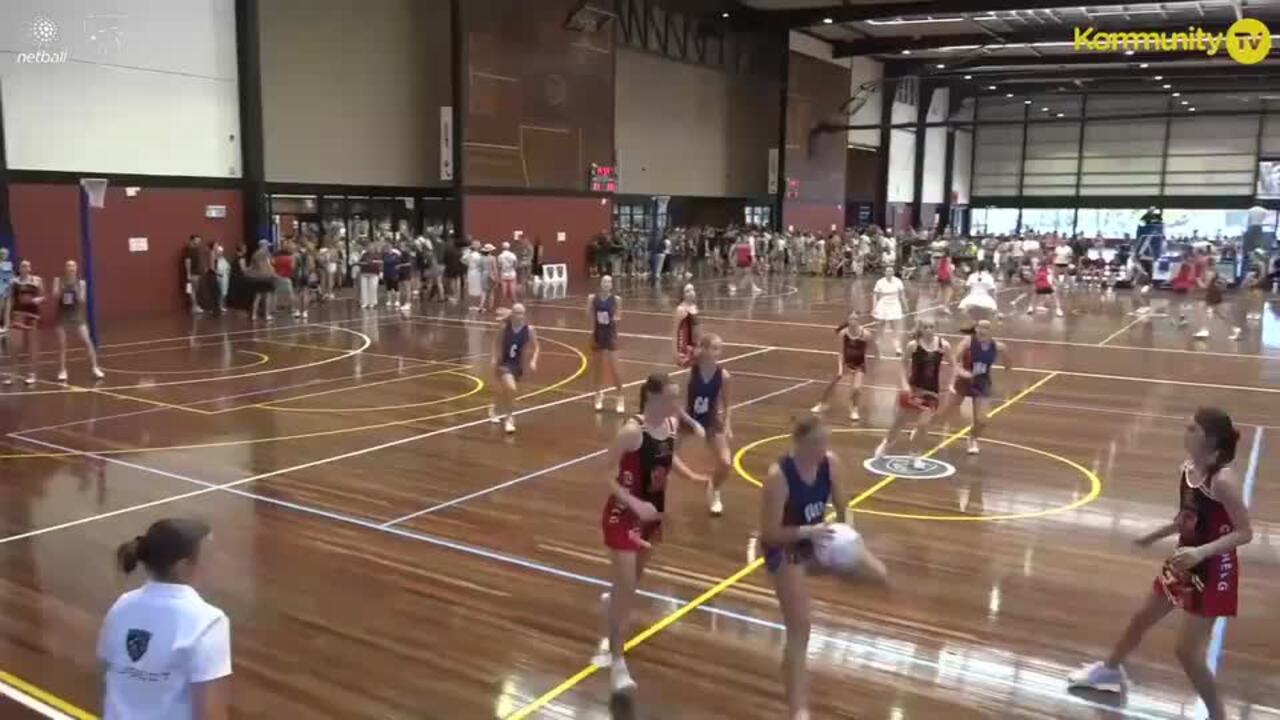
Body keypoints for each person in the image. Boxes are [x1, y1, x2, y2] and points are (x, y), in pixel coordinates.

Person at [1068, 409, 1251, 720]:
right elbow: (1186, 519)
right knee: (1141, 617)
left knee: (1187, 653)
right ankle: (1110, 671)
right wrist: (1152, 537)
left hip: (1214, 568)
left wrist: (1202, 552)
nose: (1185, 430)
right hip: (1185, 560)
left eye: (1192, 428)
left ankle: (1219, 716)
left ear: (1210, 439)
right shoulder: (1187, 469)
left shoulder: (1223, 481)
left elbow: (1245, 532)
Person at [760, 415, 888, 720]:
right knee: (801, 626)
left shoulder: (829, 464)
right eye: (817, 443)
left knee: (878, 574)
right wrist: (808, 532)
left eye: (825, 441)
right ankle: (798, 710)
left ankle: (790, 660)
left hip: (817, 541)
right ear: (800, 443)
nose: (823, 448)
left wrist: (849, 535)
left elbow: (843, 506)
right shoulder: (778, 476)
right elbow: (769, 534)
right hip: (786, 549)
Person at [598, 373, 704, 694]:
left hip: (651, 517)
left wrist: (693, 476)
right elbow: (606, 473)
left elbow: (668, 460)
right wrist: (633, 502)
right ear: (654, 399)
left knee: (632, 581)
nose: (677, 403)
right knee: (628, 589)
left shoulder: (670, 427)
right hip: (623, 516)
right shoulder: (632, 432)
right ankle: (617, 661)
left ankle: (613, 600)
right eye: (671, 397)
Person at [100, 518, 231, 720]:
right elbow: (210, 713)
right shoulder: (209, 622)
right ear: (183, 566)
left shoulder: (121, 606)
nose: (219, 559)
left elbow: (111, 673)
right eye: (210, 555)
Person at [873, 318, 950, 469]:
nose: (929, 329)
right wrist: (903, 384)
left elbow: (953, 364)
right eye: (925, 327)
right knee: (900, 421)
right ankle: (886, 443)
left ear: (935, 328)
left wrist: (950, 384)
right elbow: (902, 364)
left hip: (931, 392)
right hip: (913, 389)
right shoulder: (913, 345)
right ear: (920, 329)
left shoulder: (943, 345)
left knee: (923, 425)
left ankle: (915, 455)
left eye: (931, 326)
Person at [937, 319, 1011, 455]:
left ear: (991, 330)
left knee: (982, 420)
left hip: (982, 383)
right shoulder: (968, 342)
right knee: (944, 412)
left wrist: (1005, 379)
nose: (983, 330)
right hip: (962, 382)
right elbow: (954, 361)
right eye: (980, 327)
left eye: (986, 328)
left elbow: (1008, 366)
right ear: (976, 329)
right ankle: (922, 429)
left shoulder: (999, 346)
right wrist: (961, 372)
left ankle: (972, 438)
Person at [678, 334, 733, 516]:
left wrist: (727, 426)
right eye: (715, 348)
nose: (718, 352)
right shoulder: (690, 372)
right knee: (664, 453)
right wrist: (693, 424)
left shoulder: (723, 375)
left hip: (710, 421)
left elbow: (727, 404)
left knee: (726, 462)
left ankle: (714, 489)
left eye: (719, 348)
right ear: (705, 349)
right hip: (688, 419)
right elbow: (678, 405)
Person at [810, 311, 875, 423]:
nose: (853, 321)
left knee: (857, 388)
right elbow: (840, 352)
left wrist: (870, 363)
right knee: (832, 384)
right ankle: (822, 403)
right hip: (846, 362)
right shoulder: (843, 334)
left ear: (859, 321)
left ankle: (854, 408)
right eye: (851, 319)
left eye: (855, 319)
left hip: (859, 364)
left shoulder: (866, 335)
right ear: (848, 320)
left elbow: (871, 349)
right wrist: (840, 369)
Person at [488, 304, 540, 434]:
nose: (519, 316)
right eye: (517, 313)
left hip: (518, 365)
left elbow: (537, 347)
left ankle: (494, 408)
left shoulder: (529, 330)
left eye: (522, 313)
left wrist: (533, 361)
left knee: (504, 391)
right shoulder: (505, 328)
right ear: (512, 314)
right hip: (504, 363)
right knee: (511, 388)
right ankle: (509, 418)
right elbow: (495, 342)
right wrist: (494, 358)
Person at [53, 260, 104, 382]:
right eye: (68, 266)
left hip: (77, 316)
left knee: (87, 341)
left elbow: (82, 300)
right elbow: (55, 296)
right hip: (62, 316)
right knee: (62, 344)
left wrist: (76, 290)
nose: (71, 268)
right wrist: (62, 290)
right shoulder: (58, 281)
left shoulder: (81, 283)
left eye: (73, 266)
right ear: (65, 268)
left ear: (76, 269)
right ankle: (62, 370)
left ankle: (95, 367)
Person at [587, 275, 625, 414]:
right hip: (598, 335)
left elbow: (619, 315)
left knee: (615, 369)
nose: (607, 284)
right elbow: (589, 315)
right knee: (598, 369)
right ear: (600, 283)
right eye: (604, 281)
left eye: (609, 282)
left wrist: (613, 318)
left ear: (612, 285)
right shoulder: (592, 298)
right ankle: (598, 394)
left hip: (610, 336)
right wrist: (592, 333)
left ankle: (620, 395)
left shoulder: (616, 300)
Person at [6, 260, 44, 385]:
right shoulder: (14, 282)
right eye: (23, 266)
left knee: (32, 345)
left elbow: (43, 296)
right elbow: (10, 300)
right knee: (15, 345)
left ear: (30, 268)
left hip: (32, 316)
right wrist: (7, 318)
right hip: (17, 315)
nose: (25, 268)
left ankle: (32, 374)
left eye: (27, 266)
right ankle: (13, 374)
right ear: (20, 268)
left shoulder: (37, 280)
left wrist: (37, 300)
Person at [871, 265, 908, 355]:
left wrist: (905, 305)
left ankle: (897, 347)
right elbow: (875, 295)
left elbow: (902, 295)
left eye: (891, 271)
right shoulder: (879, 282)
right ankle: (878, 344)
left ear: (893, 272)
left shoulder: (898, 281)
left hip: (895, 305)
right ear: (884, 272)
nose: (889, 273)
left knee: (895, 327)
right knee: (881, 325)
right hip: (883, 305)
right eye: (887, 271)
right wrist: (874, 307)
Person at [957, 262, 1001, 331]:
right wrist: (995, 303)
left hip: (972, 297)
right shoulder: (989, 277)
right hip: (985, 298)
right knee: (993, 312)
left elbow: (967, 288)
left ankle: (973, 323)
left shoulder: (972, 276)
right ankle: (987, 326)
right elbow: (992, 291)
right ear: (986, 268)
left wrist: (964, 298)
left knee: (962, 310)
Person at [673, 283, 699, 368]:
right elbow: (676, 331)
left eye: (692, 290)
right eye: (687, 291)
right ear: (683, 295)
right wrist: (677, 352)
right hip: (686, 347)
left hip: (695, 345)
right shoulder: (681, 309)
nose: (691, 292)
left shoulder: (694, 307)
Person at [497, 241, 519, 305]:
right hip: (512, 273)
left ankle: (504, 302)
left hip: (504, 274)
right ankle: (514, 301)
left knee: (504, 289)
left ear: (502, 248)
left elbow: (499, 266)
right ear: (509, 247)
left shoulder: (500, 256)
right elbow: (515, 264)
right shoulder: (513, 255)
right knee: (512, 288)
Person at [212, 245, 230, 313]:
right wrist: (217, 274)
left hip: (224, 277)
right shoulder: (215, 260)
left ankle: (221, 305)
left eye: (221, 252)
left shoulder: (224, 259)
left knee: (224, 292)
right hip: (217, 277)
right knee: (218, 292)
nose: (220, 253)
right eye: (219, 251)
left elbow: (228, 268)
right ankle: (217, 306)